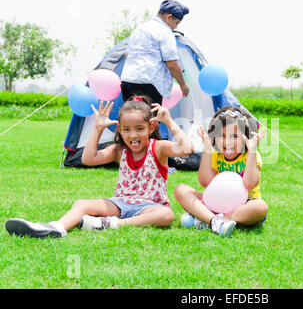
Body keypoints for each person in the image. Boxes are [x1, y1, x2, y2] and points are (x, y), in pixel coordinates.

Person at [5, 96, 193, 238]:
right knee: (82, 204)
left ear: (151, 128)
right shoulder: (119, 150)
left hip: (149, 207)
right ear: (120, 130)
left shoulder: (158, 148)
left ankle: (110, 224)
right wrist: (97, 129)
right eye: (126, 129)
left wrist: (169, 121)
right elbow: (88, 159)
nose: (133, 135)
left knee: (166, 214)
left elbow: (187, 148)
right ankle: (56, 227)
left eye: (139, 129)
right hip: (120, 204)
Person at [174, 106, 268, 237]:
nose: (227, 141)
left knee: (261, 207)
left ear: (245, 138)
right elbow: (205, 182)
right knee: (181, 189)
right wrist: (207, 148)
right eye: (221, 136)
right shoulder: (215, 155)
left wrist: (252, 150)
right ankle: (214, 221)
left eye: (234, 136)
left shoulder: (252, 155)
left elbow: (249, 184)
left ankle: (208, 220)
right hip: (215, 204)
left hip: (244, 208)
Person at [120, 0, 190, 104]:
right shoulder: (165, 32)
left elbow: (127, 54)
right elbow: (172, 64)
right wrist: (183, 85)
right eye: (176, 23)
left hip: (128, 81)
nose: (175, 27)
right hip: (149, 84)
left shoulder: (140, 28)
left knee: (130, 117)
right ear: (169, 17)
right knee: (150, 119)